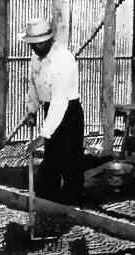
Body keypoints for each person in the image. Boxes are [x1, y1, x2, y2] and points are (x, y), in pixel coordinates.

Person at [21, 17, 84, 207]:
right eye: (31, 44)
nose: (33, 48)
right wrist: (31, 110)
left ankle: (72, 207)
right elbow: (32, 84)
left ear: (47, 41)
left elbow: (59, 101)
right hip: (52, 109)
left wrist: (42, 136)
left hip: (68, 112)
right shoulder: (35, 58)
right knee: (52, 159)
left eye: (36, 44)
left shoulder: (62, 60)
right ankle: (49, 205)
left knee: (70, 162)